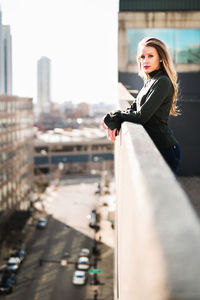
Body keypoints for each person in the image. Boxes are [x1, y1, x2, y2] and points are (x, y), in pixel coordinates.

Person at [102, 37, 181, 174]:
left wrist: (113, 116)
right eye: (142, 57)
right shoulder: (150, 81)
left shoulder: (162, 82)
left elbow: (141, 116)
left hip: (165, 149)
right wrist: (117, 120)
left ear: (161, 58)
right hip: (153, 148)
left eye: (150, 56)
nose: (145, 61)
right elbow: (133, 108)